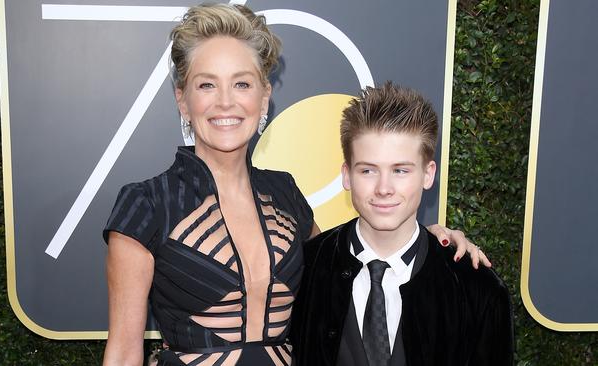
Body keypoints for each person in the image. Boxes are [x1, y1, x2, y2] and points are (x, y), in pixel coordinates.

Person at [102, 4, 490, 366]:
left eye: (241, 84)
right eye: (206, 85)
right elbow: (123, 350)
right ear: (182, 100)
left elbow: (343, 265)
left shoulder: (284, 194)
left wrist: (429, 241)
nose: (225, 102)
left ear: (264, 96)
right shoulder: (147, 204)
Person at [291, 83, 513, 366]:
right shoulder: (304, 272)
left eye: (400, 170)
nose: (384, 188)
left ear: (427, 174)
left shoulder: (477, 289)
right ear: (347, 175)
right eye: (368, 170)